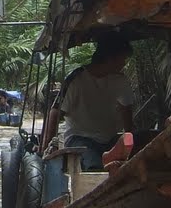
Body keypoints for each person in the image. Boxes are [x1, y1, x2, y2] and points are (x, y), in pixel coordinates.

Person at [42, 32, 135, 172]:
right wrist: (45, 148)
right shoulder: (77, 80)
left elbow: (126, 110)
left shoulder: (120, 80)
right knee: (94, 165)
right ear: (109, 58)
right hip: (80, 138)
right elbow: (55, 112)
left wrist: (131, 140)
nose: (123, 64)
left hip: (110, 139)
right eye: (122, 59)